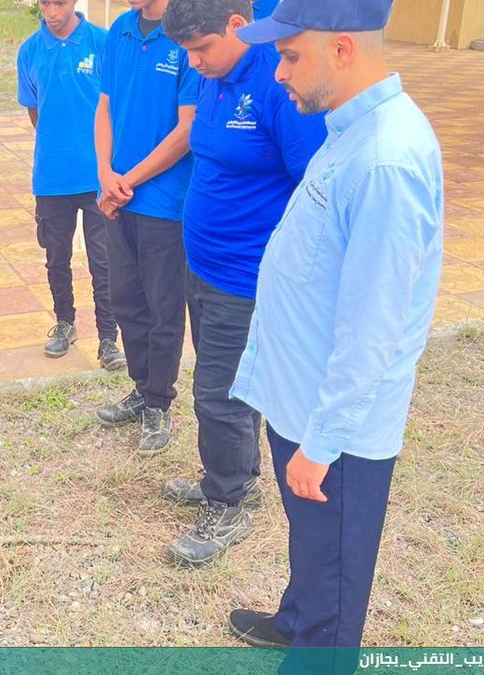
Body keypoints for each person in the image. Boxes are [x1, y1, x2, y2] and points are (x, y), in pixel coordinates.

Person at [225, 0, 444, 667]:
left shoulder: (385, 159)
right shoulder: (348, 129)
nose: (279, 73)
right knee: (313, 540)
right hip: (303, 396)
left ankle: (319, 644)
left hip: (338, 426)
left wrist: (322, 442)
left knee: (339, 565)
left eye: (290, 56)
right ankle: (298, 615)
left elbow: (373, 327)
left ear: (342, 49)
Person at [160, 0, 326, 566]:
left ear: (238, 25)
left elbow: (312, 185)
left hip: (246, 276)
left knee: (219, 393)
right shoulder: (213, 76)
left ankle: (230, 500)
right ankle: (228, 473)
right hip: (202, 264)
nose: (194, 61)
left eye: (201, 48)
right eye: (186, 52)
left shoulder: (279, 84)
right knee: (223, 384)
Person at [93, 0, 199, 455]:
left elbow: (187, 129)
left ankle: (159, 401)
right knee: (126, 300)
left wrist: (127, 181)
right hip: (118, 195)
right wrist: (104, 174)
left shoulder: (186, 31)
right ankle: (140, 388)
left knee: (162, 308)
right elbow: (105, 107)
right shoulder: (118, 29)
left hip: (162, 202)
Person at [16, 0, 125, 371]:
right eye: (45, 3)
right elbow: (34, 109)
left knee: (104, 260)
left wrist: (104, 160)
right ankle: (65, 323)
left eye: (59, 2)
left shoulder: (103, 42)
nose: (52, 10)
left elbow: (116, 105)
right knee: (55, 256)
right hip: (52, 175)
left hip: (98, 175)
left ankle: (109, 337)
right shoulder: (30, 50)